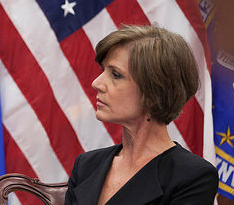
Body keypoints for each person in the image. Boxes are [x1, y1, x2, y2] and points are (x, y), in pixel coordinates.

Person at [65, 25, 218, 204]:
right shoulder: (86, 165)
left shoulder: (192, 176)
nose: (96, 83)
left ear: (154, 92)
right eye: (103, 70)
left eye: (115, 75)